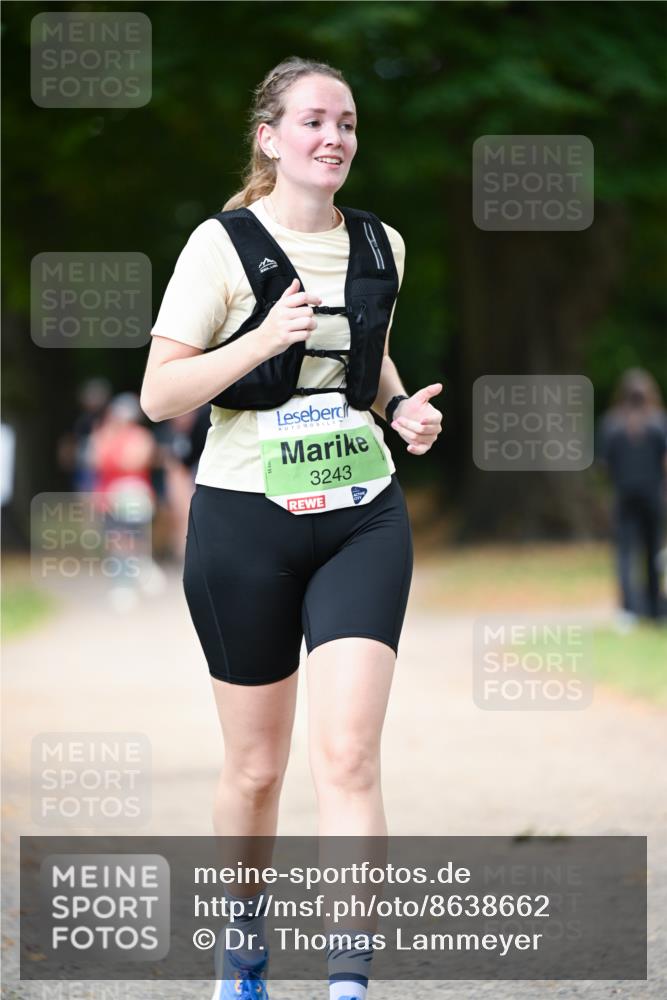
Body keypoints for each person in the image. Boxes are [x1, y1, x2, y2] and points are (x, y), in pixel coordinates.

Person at [140, 57, 443, 1000]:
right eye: (313, 121)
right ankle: (242, 949)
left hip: (361, 513)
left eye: (347, 123)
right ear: (270, 138)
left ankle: (347, 979)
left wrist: (401, 412)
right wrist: (263, 342)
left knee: (348, 754)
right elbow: (160, 395)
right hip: (244, 519)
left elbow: (373, 351)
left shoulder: (382, 242)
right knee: (259, 768)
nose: (334, 138)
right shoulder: (220, 247)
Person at [596, 368, 667, 629]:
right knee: (652, 551)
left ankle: (628, 611)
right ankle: (654, 608)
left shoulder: (612, 425)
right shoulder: (659, 423)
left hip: (624, 497)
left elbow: (604, 465)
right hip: (652, 497)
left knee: (626, 554)